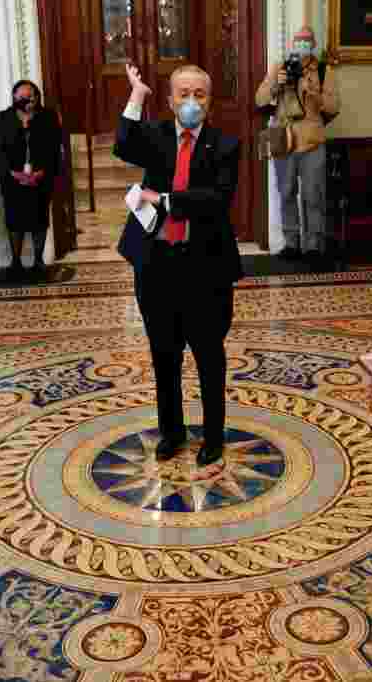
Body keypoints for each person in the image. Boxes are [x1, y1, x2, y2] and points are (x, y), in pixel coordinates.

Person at [115, 62, 242, 468]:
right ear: (169, 100)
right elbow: (122, 143)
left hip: (205, 268)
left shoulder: (225, 144)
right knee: (163, 354)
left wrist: (164, 199)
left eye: (199, 95)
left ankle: (213, 435)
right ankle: (171, 432)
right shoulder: (153, 136)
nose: (191, 102)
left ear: (210, 101)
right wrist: (136, 95)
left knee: (208, 354)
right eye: (183, 94)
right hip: (156, 265)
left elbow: (216, 199)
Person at [255, 26, 339, 268]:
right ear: (293, 42)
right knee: (286, 191)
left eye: (307, 41)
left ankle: (314, 245)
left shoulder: (324, 70)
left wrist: (315, 95)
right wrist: (276, 85)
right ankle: (291, 243)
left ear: (313, 44)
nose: (302, 45)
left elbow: (334, 107)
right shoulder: (279, 67)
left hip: (312, 138)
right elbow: (259, 99)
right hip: (283, 138)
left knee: (314, 194)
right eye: (299, 41)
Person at [0, 80, 63, 280]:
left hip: (41, 177)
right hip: (12, 179)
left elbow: (54, 149)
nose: (29, 99)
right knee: (15, 220)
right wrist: (14, 173)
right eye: (23, 96)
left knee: (39, 219)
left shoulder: (47, 117)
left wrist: (41, 172)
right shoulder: (4, 117)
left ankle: (38, 262)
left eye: (32, 95)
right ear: (15, 98)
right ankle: (15, 262)